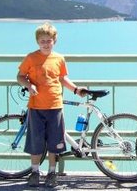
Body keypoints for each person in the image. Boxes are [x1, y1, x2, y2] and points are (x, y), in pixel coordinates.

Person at [16, 22, 86, 188]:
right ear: (37, 42)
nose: (46, 44)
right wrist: (28, 85)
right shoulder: (31, 58)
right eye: (42, 41)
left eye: (49, 40)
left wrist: (76, 89)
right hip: (36, 107)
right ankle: (34, 172)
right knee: (36, 141)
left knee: (54, 142)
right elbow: (20, 76)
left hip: (55, 106)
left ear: (54, 40)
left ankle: (51, 173)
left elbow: (62, 79)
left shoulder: (59, 58)